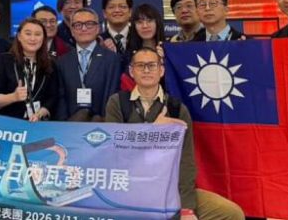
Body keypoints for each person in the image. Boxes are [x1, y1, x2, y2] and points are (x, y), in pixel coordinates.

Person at [105, 48, 245, 220]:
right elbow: (114, 152)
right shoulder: (118, 103)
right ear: (131, 71)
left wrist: (187, 208)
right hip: (131, 187)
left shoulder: (177, 109)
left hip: (169, 188)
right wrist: (153, 131)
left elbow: (186, 161)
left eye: (152, 65)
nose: (146, 70)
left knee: (231, 213)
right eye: (140, 65)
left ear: (161, 70)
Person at [55, 9, 121, 122]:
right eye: (78, 25)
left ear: (98, 28)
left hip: (101, 123)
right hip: (70, 125)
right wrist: (64, 124)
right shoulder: (62, 61)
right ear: (72, 30)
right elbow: (60, 97)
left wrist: (105, 121)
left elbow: (112, 92)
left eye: (89, 24)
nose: (84, 28)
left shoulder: (112, 59)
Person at [0, 18, 59, 122]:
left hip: (37, 124)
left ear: (43, 38)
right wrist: (13, 97)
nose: (33, 38)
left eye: (38, 34)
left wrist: (40, 113)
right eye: (28, 34)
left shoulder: (50, 64)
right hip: (9, 123)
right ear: (19, 36)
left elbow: (52, 98)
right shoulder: (5, 60)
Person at [123, 4, 167, 92]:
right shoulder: (128, 55)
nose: (145, 26)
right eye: (139, 22)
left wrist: (165, 62)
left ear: (157, 23)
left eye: (149, 21)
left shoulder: (169, 50)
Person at [99, 0, 134, 69]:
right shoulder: (99, 41)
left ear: (130, 12)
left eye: (122, 6)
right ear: (104, 13)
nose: (117, 10)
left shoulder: (139, 37)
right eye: (111, 7)